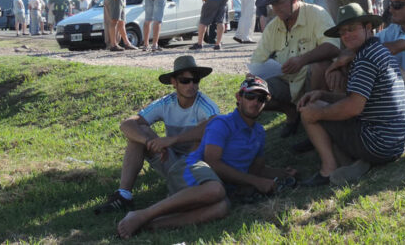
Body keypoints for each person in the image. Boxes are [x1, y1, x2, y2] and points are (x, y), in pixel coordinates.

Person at [115, 75, 297, 239]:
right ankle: (142, 214)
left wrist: (281, 173)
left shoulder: (259, 133)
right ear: (239, 97)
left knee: (222, 207)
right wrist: (255, 182)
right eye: (250, 96)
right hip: (190, 168)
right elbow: (212, 162)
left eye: (262, 99)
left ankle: (152, 224)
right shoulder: (222, 123)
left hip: (211, 184)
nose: (256, 102)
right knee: (216, 190)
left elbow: (256, 170)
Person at [298, 3, 405, 187]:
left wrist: (317, 114)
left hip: (378, 143)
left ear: (367, 28)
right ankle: (353, 162)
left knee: (310, 112)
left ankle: (329, 170)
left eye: (351, 29)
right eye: (342, 32)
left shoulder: (365, 59)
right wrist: (323, 94)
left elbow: (353, 107)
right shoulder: (377, 51)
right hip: (395, 143)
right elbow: (361, 100)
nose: (346, 35)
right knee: (320, 105)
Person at [94, 56, 220, 215]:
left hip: (195, 166)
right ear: (174, 82)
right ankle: (124, 195)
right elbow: (127, 124)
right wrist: (149, 142)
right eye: (185, 81)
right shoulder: (166, 102)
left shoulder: (205, 104)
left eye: (195, 80)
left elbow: (216, 126)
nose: (191, 85)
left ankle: (176, 196)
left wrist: (173, 140)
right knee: (138, 134)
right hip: (169, 159)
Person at [249, 0, 341, 138]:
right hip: (286, 84)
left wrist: (303, 60)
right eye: (272, 4)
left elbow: (333, 46)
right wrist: (252, 76)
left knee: (320, 66)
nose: (276, 9)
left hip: (312, 82)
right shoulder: (272, 27)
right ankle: (291, 111)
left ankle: (315, 123)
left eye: (279, 2)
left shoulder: (316, 14)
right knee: (252, 88)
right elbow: (258, 59)